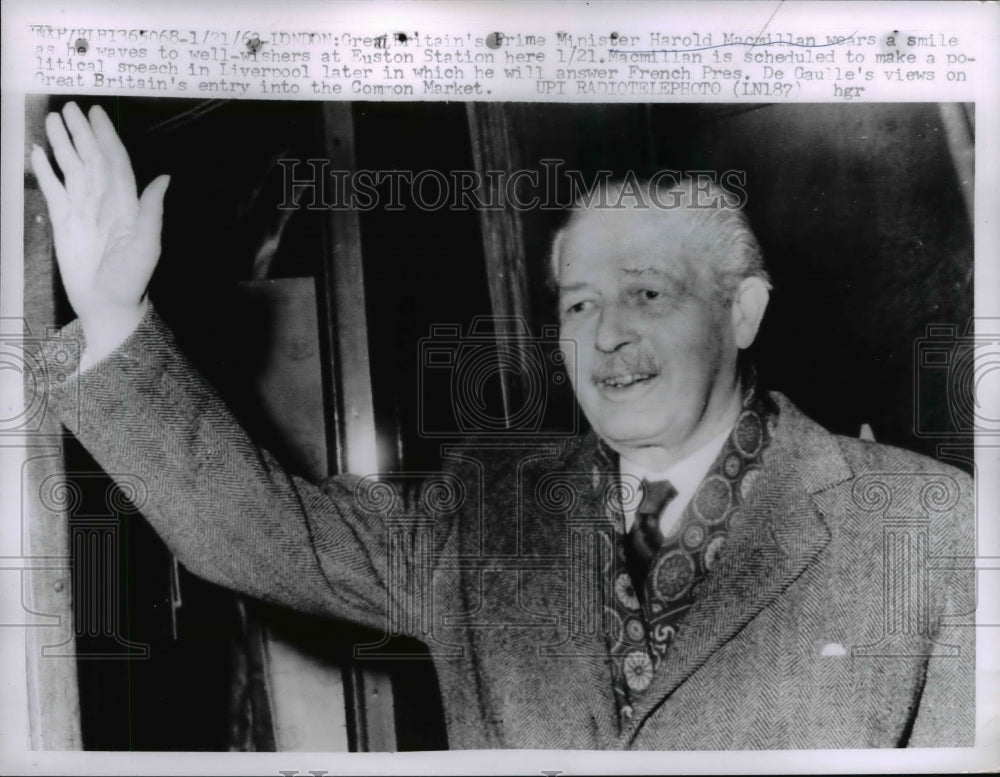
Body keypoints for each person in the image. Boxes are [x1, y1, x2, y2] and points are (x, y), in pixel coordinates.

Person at [32, 102, 975, 750]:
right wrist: (113, 314)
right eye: (576, 304)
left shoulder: (926, 528)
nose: (607, 335)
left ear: (743, 312)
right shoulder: (482, 515)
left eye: (647, 293)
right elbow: (260, 531)